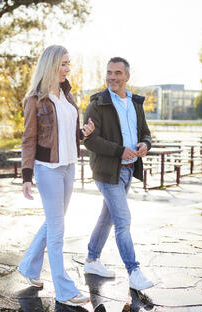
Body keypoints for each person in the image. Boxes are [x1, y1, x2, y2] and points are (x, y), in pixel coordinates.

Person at [17, 45, 95, 306]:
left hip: (69, 165)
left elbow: (68, 134)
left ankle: (29, 266)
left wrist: (83, 133)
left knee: (54, 221)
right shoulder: (35, 100)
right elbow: (28, 139)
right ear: (50, 65)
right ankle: (64, 290)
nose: (67, 68)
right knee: (58, 229)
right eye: (63, 64)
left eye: (68, 63)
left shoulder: (67, 96)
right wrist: (27, 176)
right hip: (47, 169)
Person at [81, 57, 154, 291]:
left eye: (117, 73)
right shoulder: (97, 104)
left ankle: (92, 260)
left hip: (128, 170)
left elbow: (145, 133)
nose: (112, 77)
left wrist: (145, 144)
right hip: (106, 171)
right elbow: (89, 141)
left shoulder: (135, 103)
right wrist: (120, 151)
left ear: (127, 77)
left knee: (108, 217)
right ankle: (134, 272)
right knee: (123, 221)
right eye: (109, 73)